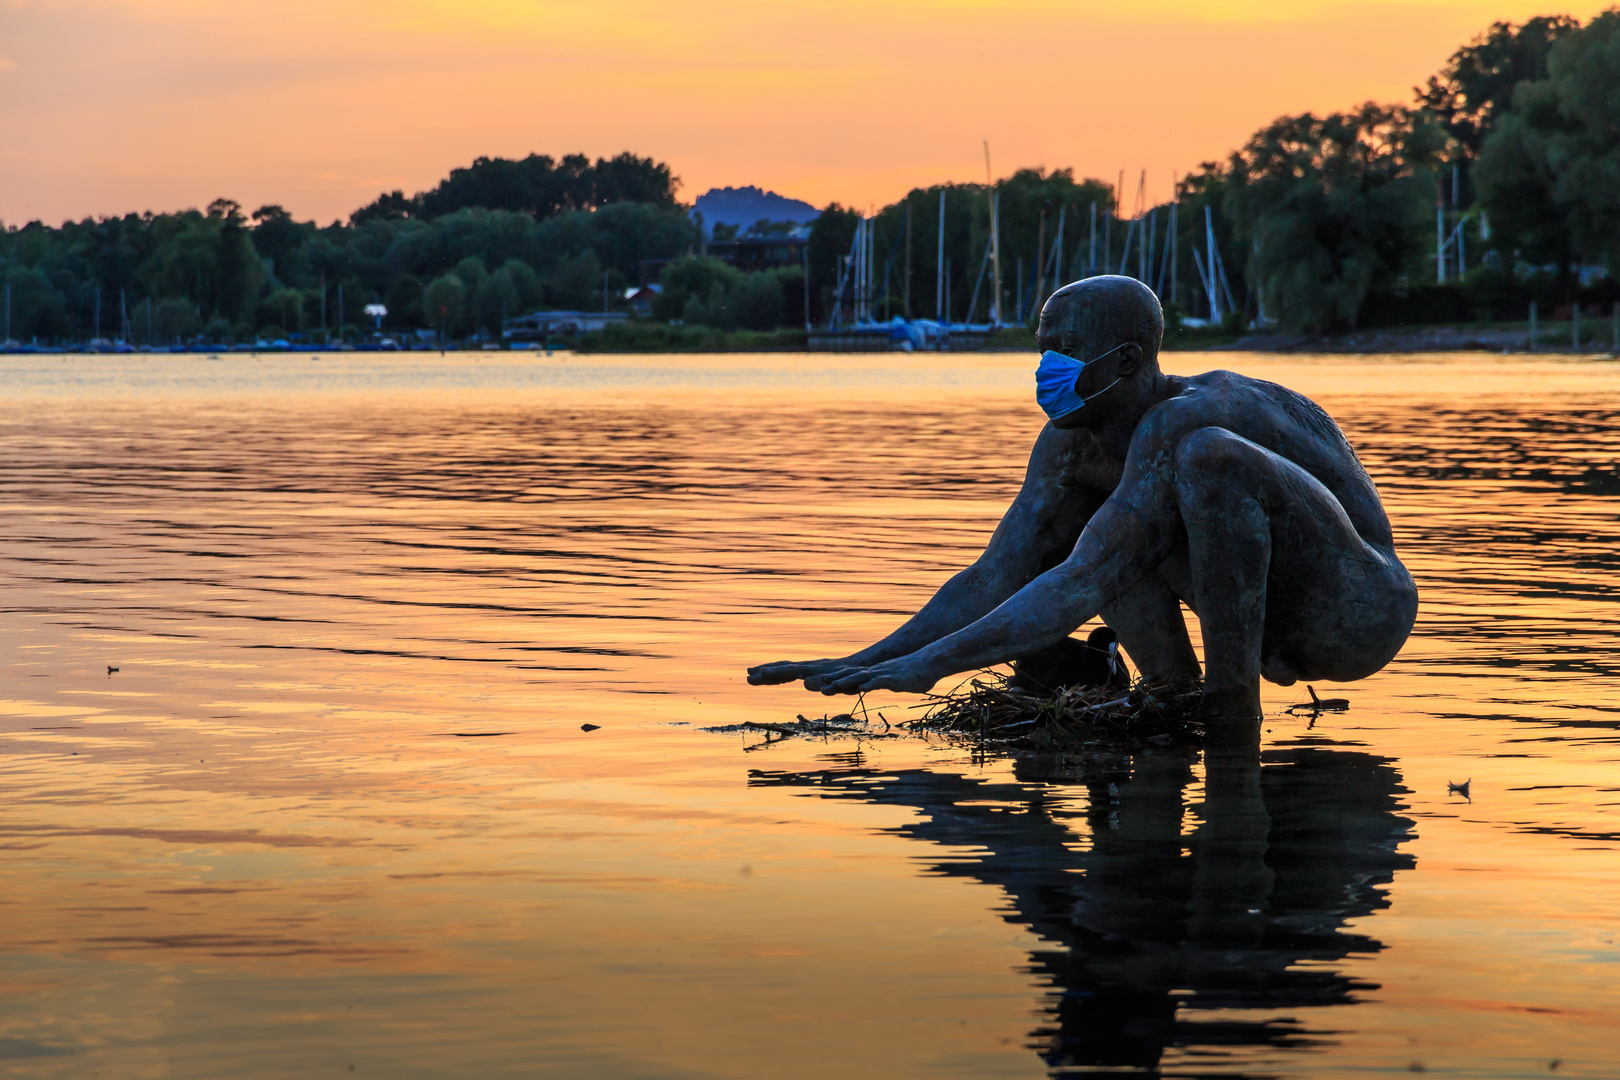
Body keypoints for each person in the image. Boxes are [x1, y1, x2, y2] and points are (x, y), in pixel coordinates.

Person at [746, 276, 1417, 719]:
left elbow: (1090, 573)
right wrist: (868, 660)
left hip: (1356, 610)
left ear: (1126, 361)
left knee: (1204, 462)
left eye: (1065, 350)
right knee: (1101, 514)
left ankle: (1228, 709)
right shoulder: (1074, 443)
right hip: (1266, 604)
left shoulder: (1192, 414)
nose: (1046, 369)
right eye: (1042, 351)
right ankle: (1172, 693)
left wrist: (934, 666)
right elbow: (997, 573)